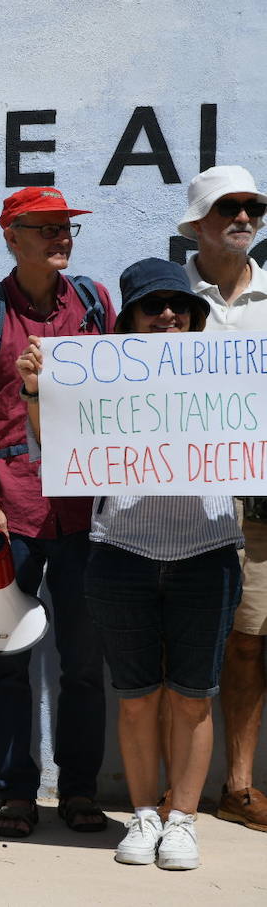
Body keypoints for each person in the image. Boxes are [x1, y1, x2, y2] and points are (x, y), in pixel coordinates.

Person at [16, 258, 241, 870]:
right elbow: (56, 445)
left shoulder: (230, 372)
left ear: (196, 317)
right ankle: (144, 816)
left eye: (180, 306)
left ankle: (183, 821)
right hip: (121, 551)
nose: (168, 315)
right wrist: (38, 389)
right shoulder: (99, 377)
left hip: (207, 551)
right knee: (138, 697)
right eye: (152, 306)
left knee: (193, 698)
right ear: (130, 319)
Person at [0, 187, 115, 837]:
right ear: (11, 237)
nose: (61, 237)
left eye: (65, 227)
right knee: (9, 659)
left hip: (83, 516)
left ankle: (78, 791)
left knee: (82, 663)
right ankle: (16, 793)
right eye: (45, 228)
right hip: (12, 513)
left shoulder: (96, 304)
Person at [178, 166, 267, 833]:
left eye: (253, 206)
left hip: (259, 494)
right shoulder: (168, 297)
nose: (244, 216)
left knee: (249, 639)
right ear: (198, 223)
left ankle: (237, 785)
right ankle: (166, 788)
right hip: (182, 492)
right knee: (173, 635)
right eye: (229, 207)